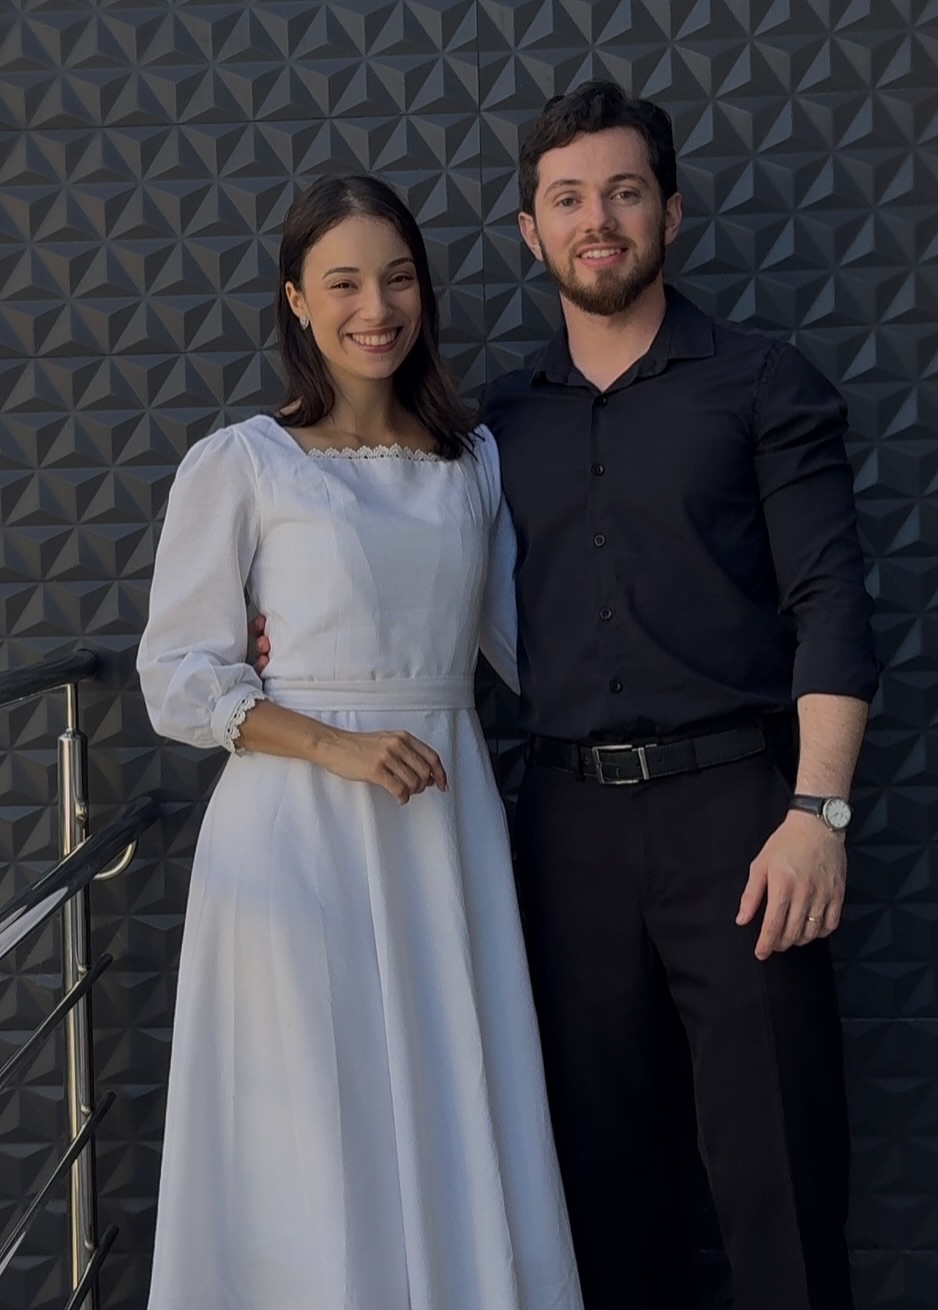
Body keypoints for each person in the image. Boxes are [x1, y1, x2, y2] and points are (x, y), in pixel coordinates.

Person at [136, 174, 582, 1310]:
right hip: (291, 838)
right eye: (341, 283)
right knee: (307, 1124)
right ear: (296, 299)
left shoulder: (471, 462)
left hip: (439, 825)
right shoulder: (243, 463)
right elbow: (177, 677)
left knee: (445, 1088)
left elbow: (524, 648)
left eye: (396, 279)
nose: (374, 308)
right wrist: (334, 742)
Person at [478, 82, 880, 1310]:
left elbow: (829, 601)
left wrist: (817, 812)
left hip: (739, 822)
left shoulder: (762, 383)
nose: (595, 219)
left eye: (622, 191)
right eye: (566, 199)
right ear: (530, 232)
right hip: (562, 831)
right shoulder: (492, 424)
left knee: (778, 1174)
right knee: (597, 1186)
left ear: (669, 210)